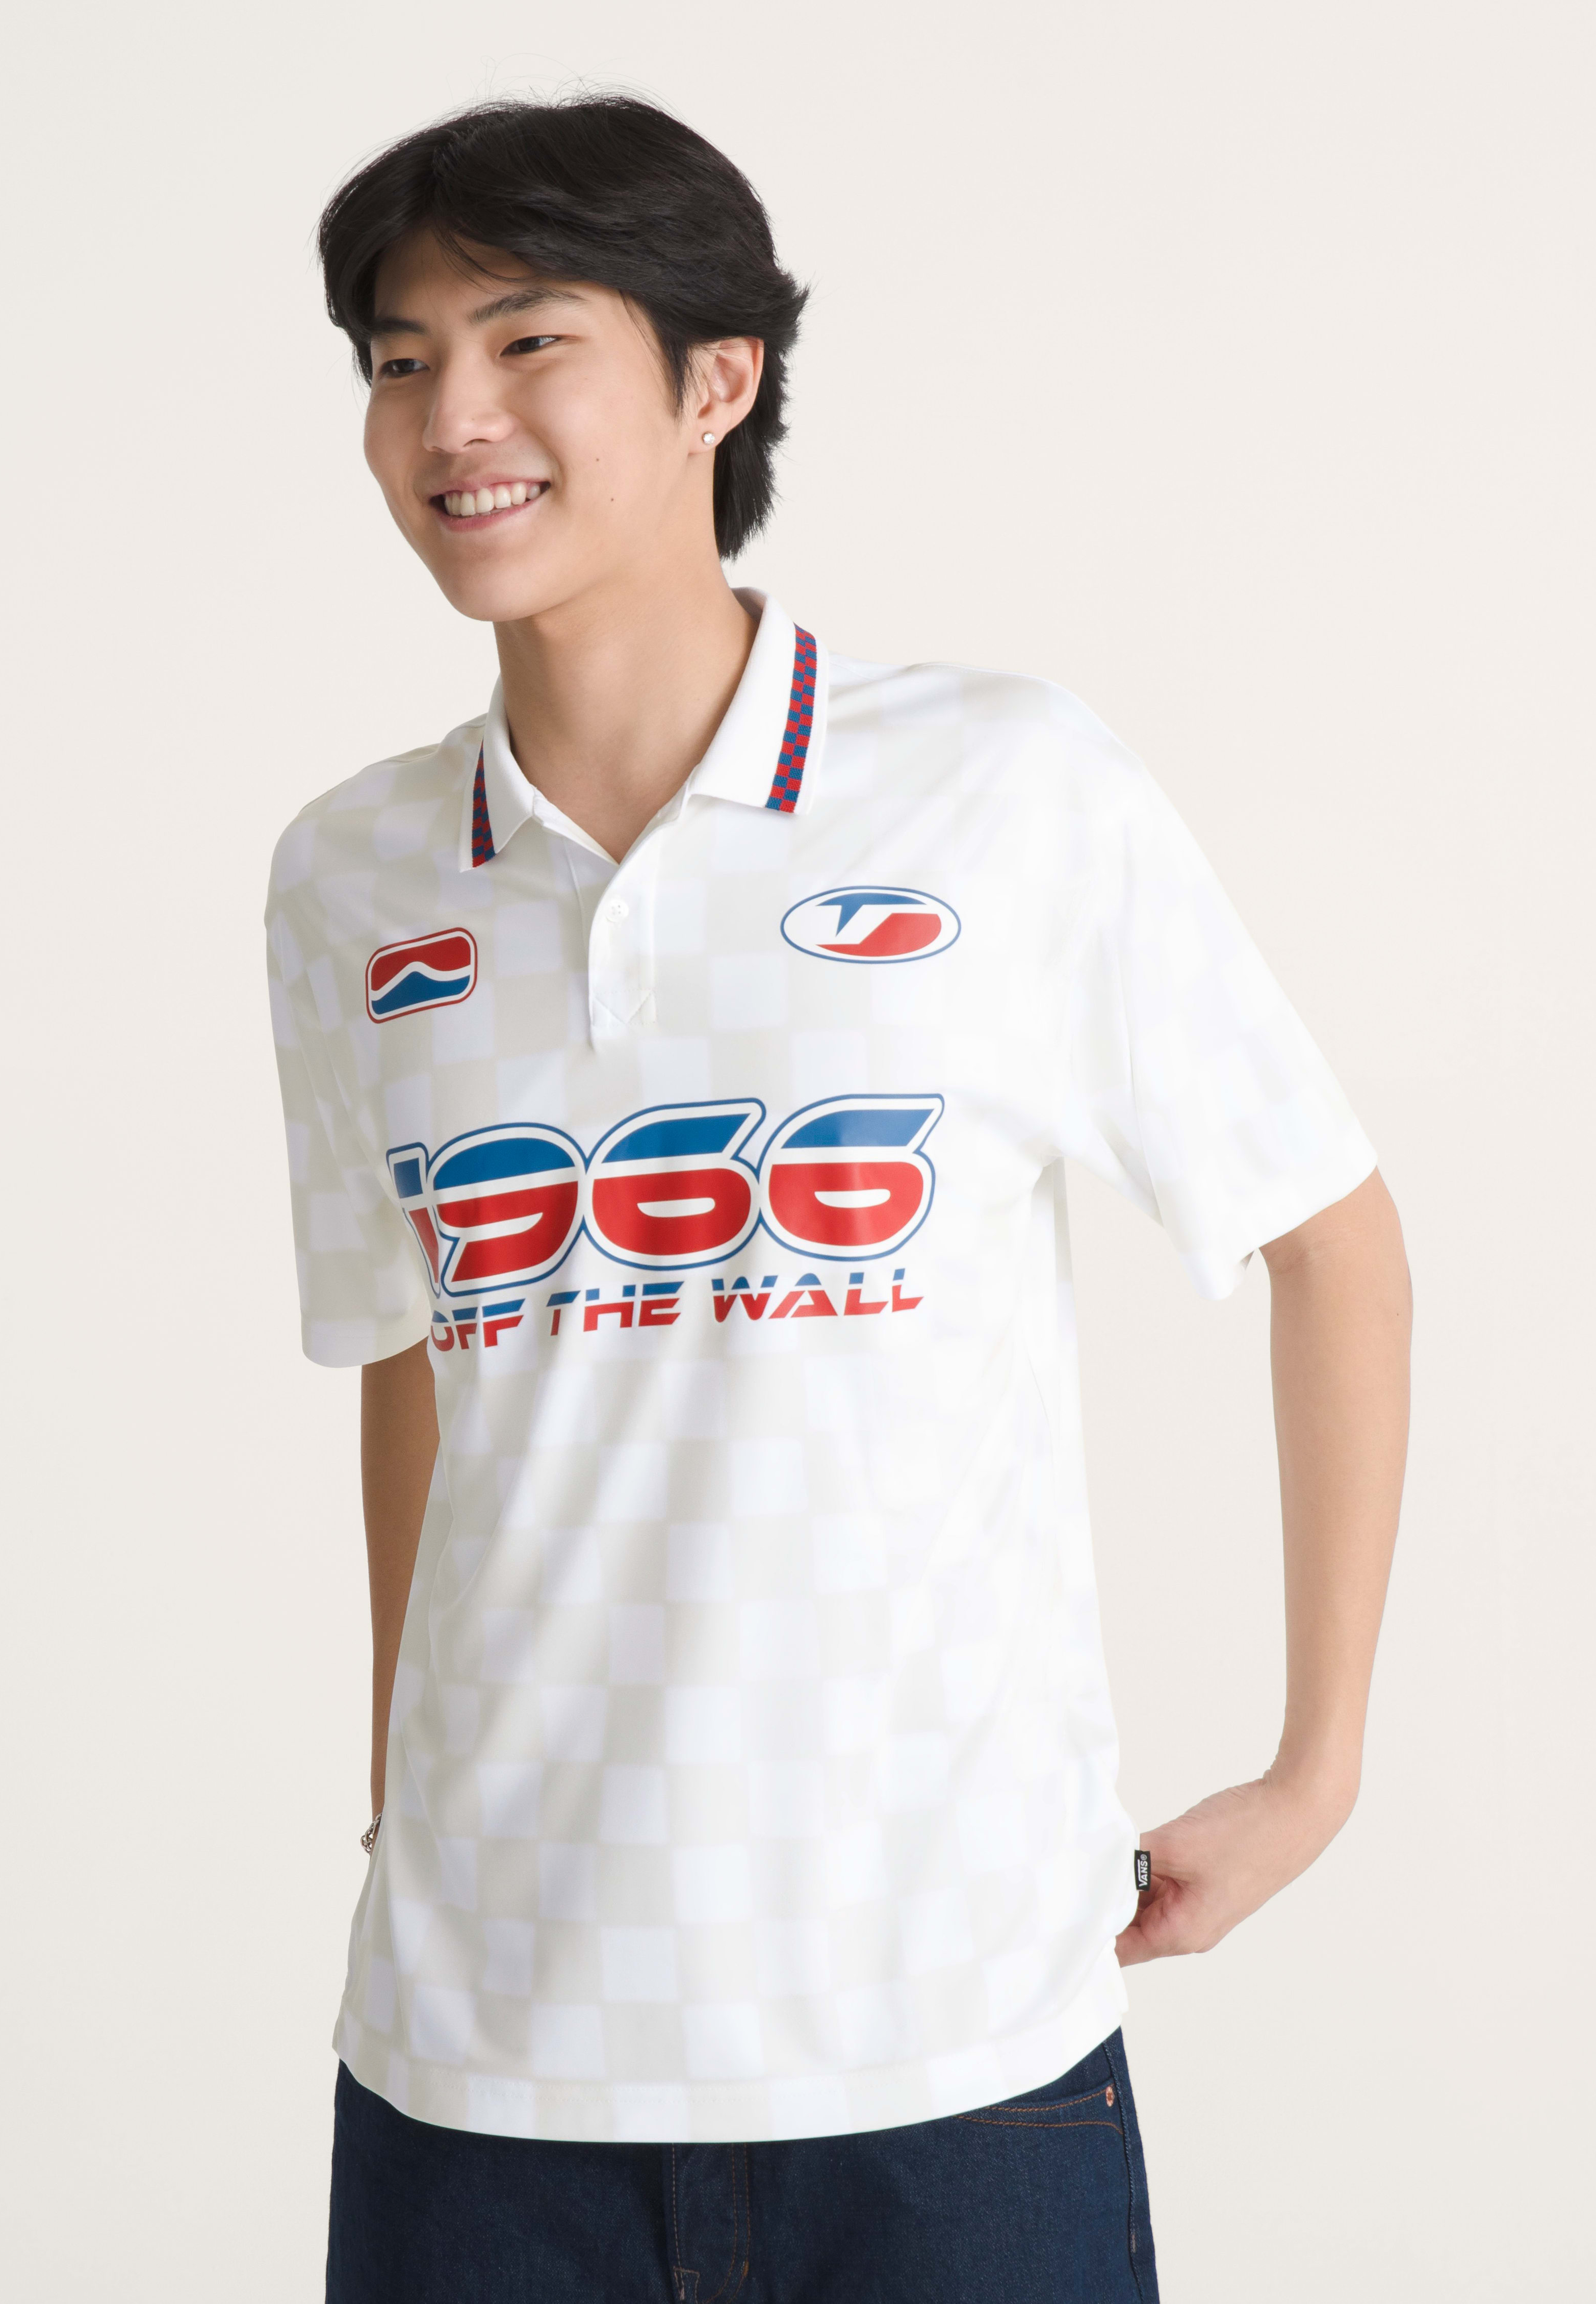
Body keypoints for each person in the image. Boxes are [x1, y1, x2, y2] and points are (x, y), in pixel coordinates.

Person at [264, 93, 1411, 2304]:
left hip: (952, 2049)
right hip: (481, 2070)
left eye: (526, 341)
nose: (451, 417)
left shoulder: (1001, 787)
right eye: (400, 360)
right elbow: (414, 1347)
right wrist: (410, 1793)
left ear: (720, 378)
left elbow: (1328, 1237)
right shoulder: (351, 876)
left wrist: (1317, 1767)